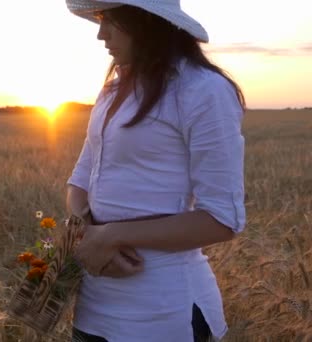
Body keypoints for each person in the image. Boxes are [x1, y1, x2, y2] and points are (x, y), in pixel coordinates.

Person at [64, 0, 246, 341]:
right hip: (92, 310)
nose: (100, 34)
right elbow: (78, 183)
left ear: (147, 21)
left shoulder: (203, 90)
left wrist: (112, 236)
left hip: (162, 315)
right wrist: (88, 232)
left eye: (110, 20)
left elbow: (223, 218)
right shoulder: (112, 92)